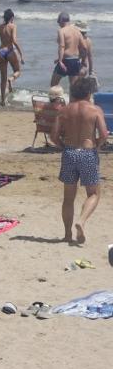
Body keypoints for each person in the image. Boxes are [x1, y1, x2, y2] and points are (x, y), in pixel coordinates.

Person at [53, 76, 107, 245]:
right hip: (87, 153)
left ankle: (67, 234)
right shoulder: (95, 109)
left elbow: (53, 137)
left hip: (69, 152)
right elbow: (104, 135)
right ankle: (81, 221)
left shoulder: (64, 110)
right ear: (89, 93)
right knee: (93, 193)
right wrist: (96, 145)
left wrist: (64, 146)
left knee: (68, 198)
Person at [0, 10, 23, 106]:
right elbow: (14, 40)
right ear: (12, 17)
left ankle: (2, 101)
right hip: (10, 51)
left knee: (2, 78)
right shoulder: (13, 26)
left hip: (1, 52)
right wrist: (21, 54)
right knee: (18, 71)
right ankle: (11, 79)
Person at [52, 12, 84, 88]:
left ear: (62, 20)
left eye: (58, 21)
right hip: (75, 60)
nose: (58, 24)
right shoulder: (77, 31)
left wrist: (60, 60)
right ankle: (72, 100)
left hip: (65, 61)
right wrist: (80, 59)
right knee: (73, 87)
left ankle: (56, 99)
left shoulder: (62, 31)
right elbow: (83, 47)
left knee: (54, 85)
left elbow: (62, 46)